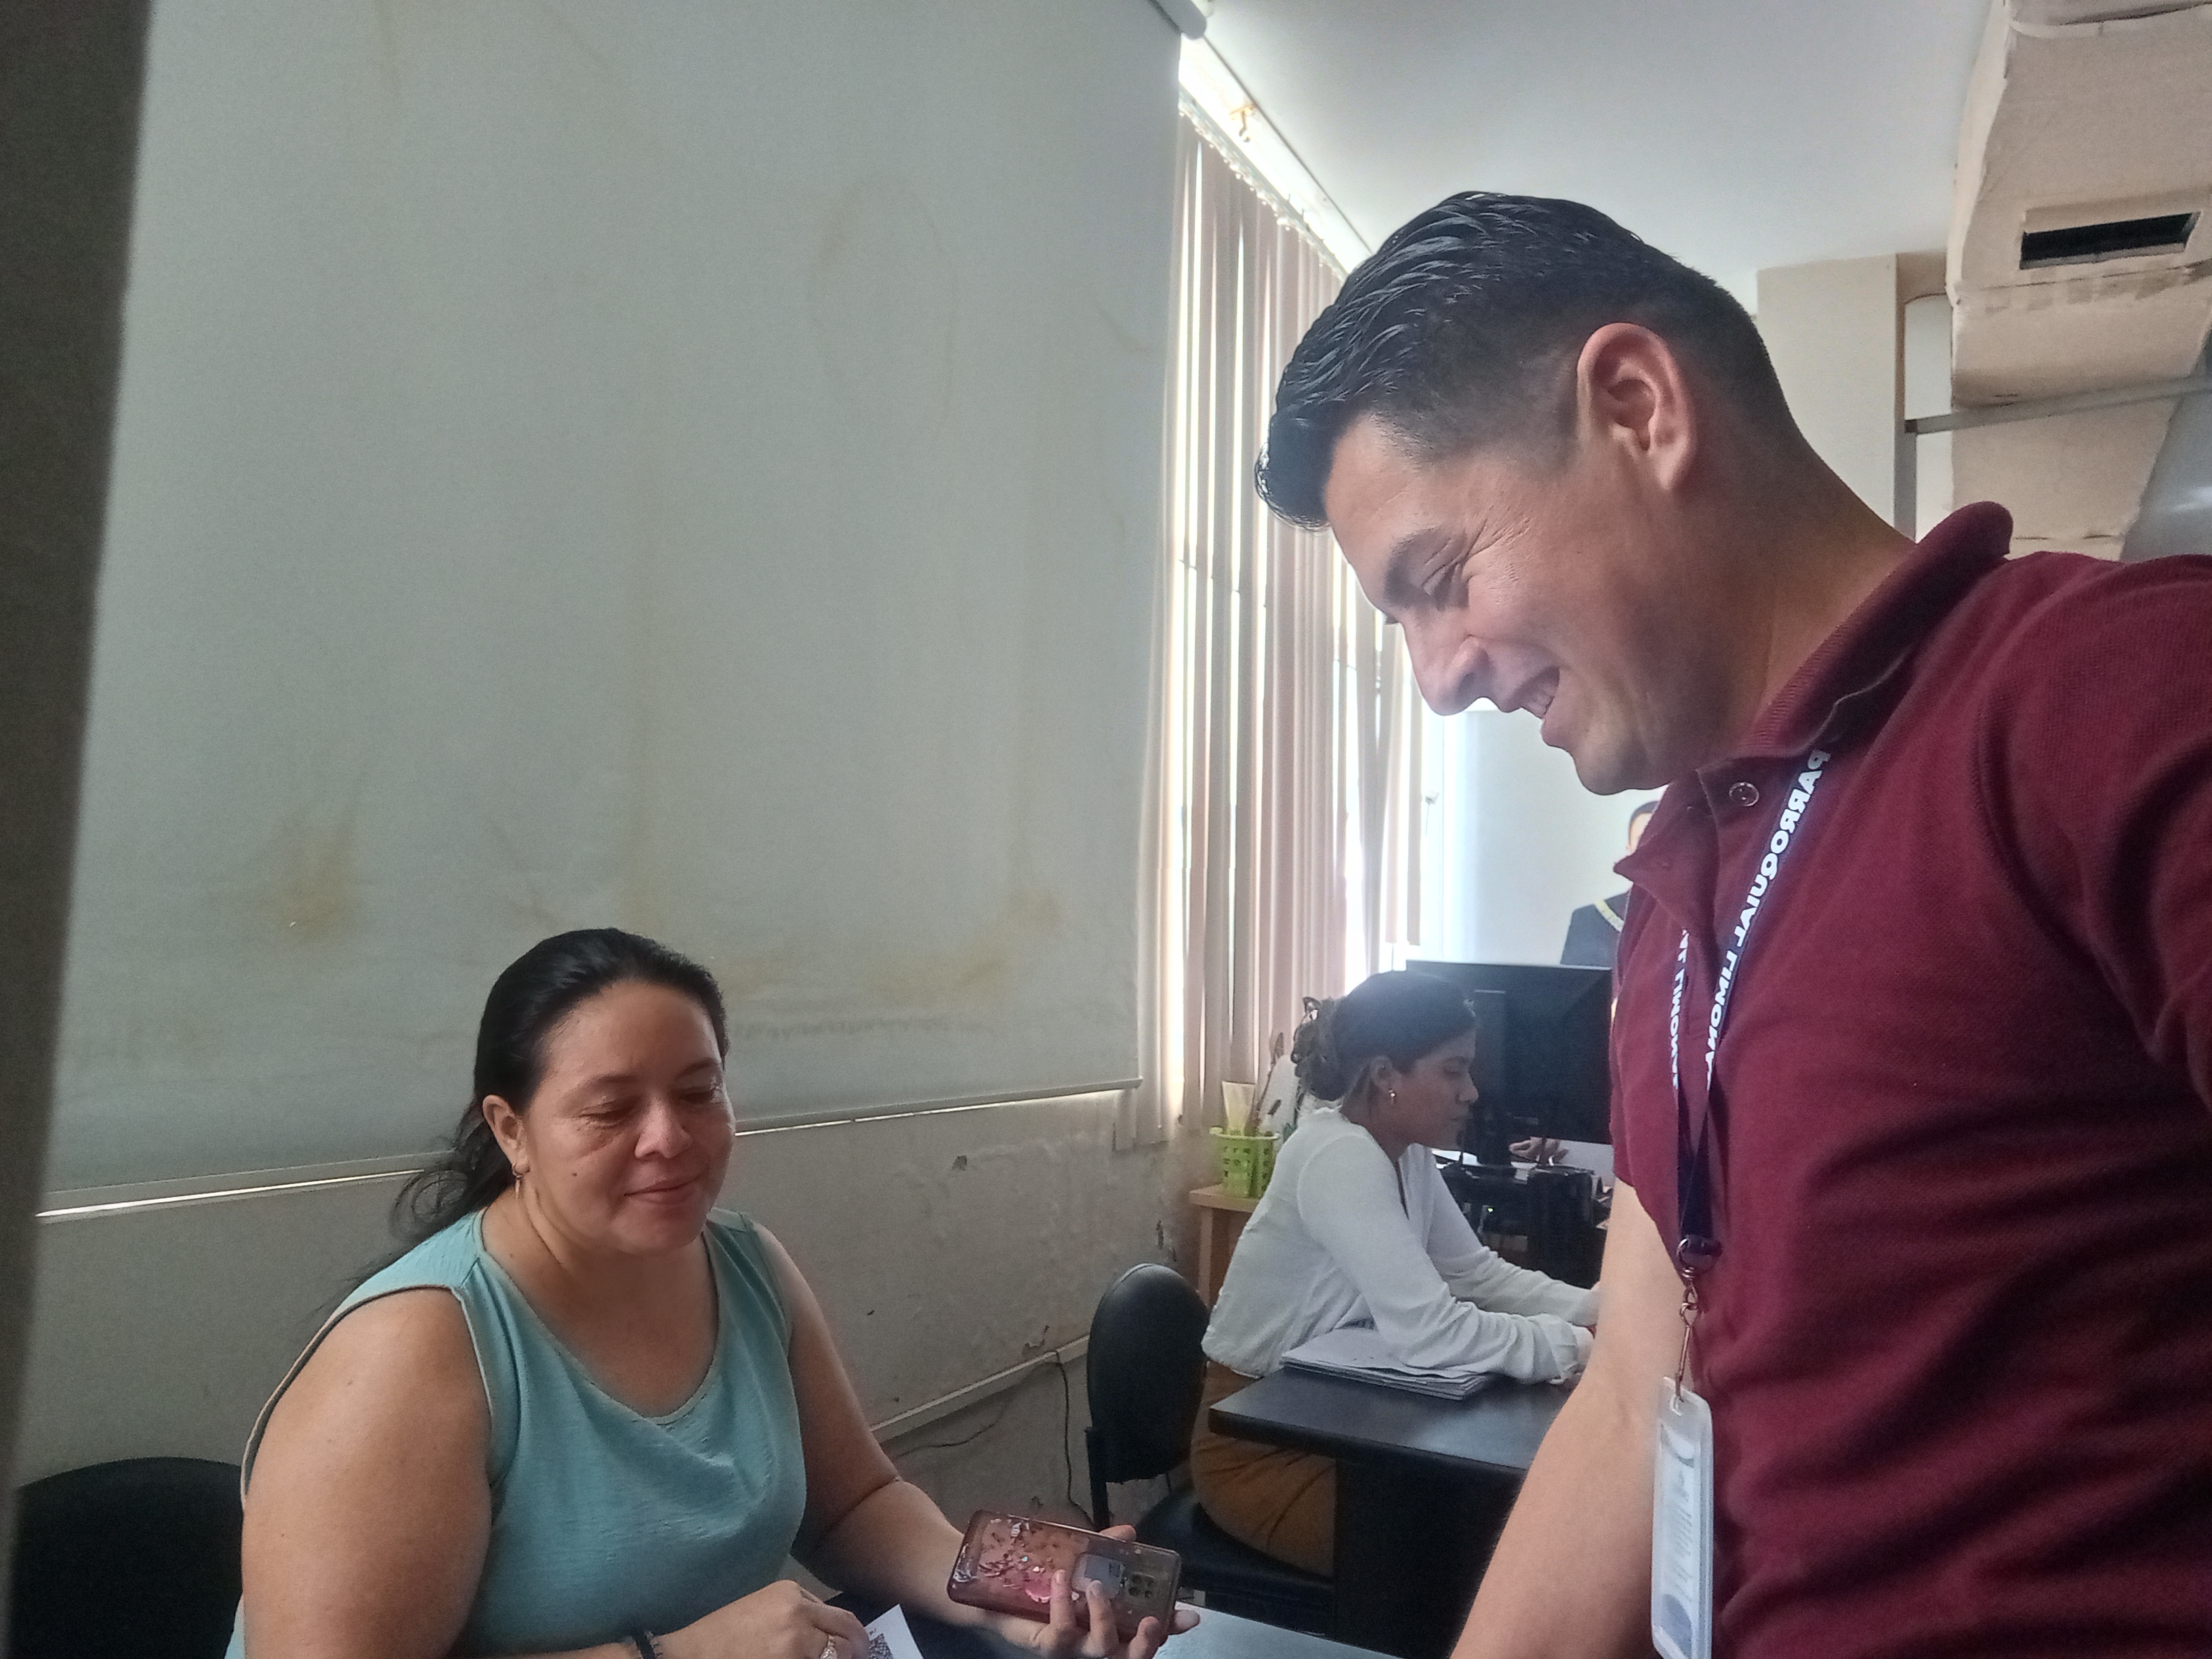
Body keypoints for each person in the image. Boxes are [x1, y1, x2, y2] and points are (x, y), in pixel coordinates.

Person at [1253, 194, 2212, 1658]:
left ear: (1637, 408)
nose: (1438, 680)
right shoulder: (1673, 897)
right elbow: (1637, 1394)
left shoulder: (2106, 695)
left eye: (1438, 585)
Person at [228, 928, 1197, 1659]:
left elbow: (853, 1502)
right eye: (611, 1108)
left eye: (698, 1092)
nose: (669, 1138)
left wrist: (997, 1595)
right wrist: (677, 1655)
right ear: (511, 1130)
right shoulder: (414, 1352)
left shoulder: (744, 1263)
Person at [1189, 970, 1598, 1576]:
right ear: (1385, 1075)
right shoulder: (1339, 1154)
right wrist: (1581, 1348)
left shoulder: (1405, 1153)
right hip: (1263, 1448)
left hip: (1343, 1422)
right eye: (1453, 1071)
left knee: (1512, 1516)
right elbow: (1432, 1333)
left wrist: (1610, 1310)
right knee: (1488, 1552)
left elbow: (1480, 1276)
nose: (1472, 1093)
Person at [1559, 800, 1656, 968]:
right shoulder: (1591, 921)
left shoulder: (1700, 921)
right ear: (1629, 849)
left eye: (1659, 839)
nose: (1652, 848)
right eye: (1642, 839)